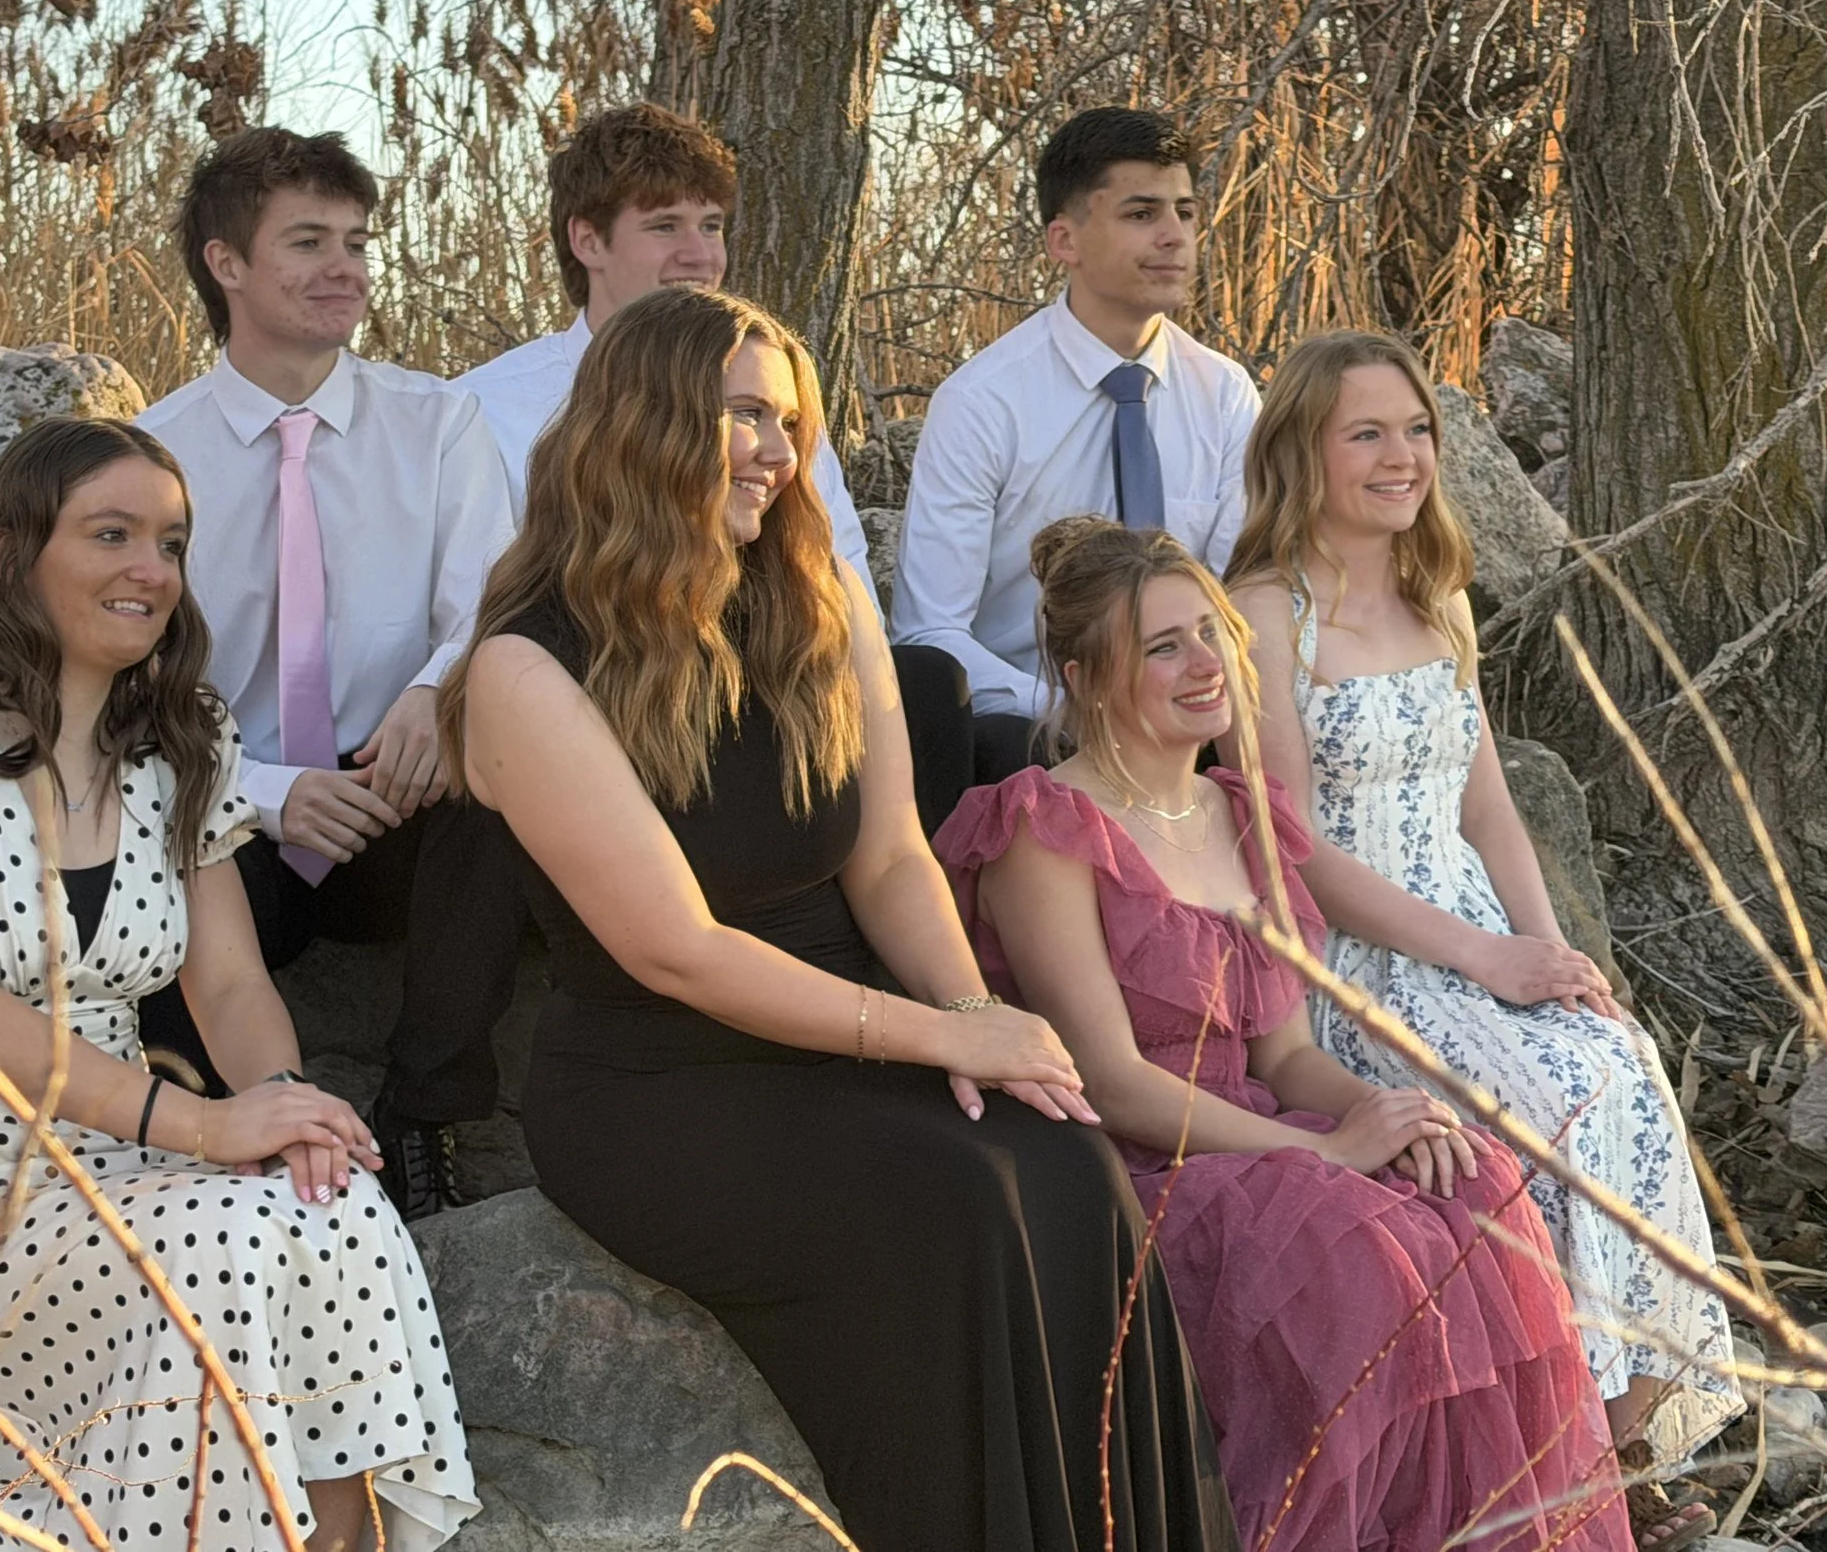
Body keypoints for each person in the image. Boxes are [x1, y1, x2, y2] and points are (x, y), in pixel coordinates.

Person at [438, 284, 1235, 1552]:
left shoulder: (817, 600)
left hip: (850, 1028)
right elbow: (673, 947)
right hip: (666, 1084)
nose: (777, 449)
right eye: (744, 415)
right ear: (642, 424)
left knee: (1071, 1164)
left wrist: (975, 1012)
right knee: (954, 1204)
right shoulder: (526, 668)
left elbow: (889, 860)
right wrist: (935, 1041)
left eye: (789, 420)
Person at [0, 417, 477, 1552]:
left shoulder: (181, 737)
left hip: (128, 1169)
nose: (150, 571)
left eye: (170, 543)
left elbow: (225, 983)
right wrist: (207, 1127)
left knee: (333, 1206)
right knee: (218, 1243)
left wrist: (285, 1107)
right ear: (17, 551)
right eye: (111, 535)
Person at [936, 515, 1636, 1552]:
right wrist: (1323, 1150)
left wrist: (1383, 1113)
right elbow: (1113, 1079)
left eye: (1209, 633)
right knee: (1362, 1259)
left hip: (1266, 1131)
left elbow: (1285, 1055)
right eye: (1160, 647)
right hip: (1139, 1162)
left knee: (1476, 1189)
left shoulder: (1244, 811)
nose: (1202, 664)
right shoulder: (1047, 828)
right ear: (1085, 679)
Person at [1225, 329, 1740, 1542]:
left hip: (1472, 929)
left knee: (1618, 1065)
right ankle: (1560, 1438)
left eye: (1416, 431)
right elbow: (1292, 848)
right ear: (1303, 449)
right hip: (1357, 960)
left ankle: (1628, 1433)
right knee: (1544, 1105)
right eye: (1367, 433)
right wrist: (1483, 961)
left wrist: (1552, 953)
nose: (1401, 457)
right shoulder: (1261, 615)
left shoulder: (1436, 590)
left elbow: (1486, 799)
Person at [138, 126, 518, 1217]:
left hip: (402, 784)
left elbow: (496, 606)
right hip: (237, 806)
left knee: (500, 790)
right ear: (226, 264)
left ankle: (428, 1116)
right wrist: (267, 791)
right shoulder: (151, 455)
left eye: (355, 241)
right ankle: (232, 1152)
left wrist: (433, 694)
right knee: (153, 864)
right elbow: (135, 687)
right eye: (307, 243)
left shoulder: (439, 424)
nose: (344, 267)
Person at [455, 103, 977, 831]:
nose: (701, 256)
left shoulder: (768, 390)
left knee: (925, 687)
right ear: (587, 240)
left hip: (757, 671)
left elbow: (835, 566)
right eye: (665, 226)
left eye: (712, 226)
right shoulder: (480, 411)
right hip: (605, 683)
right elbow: (476, 609)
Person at [893, 106, 1262, 804]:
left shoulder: (1225, 394)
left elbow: (1236, 589)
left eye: (1184, 211)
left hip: (1191, 712)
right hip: (1034, 727)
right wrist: (1070, 708)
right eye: (1141, 213)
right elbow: (931, 628)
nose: (1174, 236)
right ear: (1064, 239)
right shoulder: (982, 403)